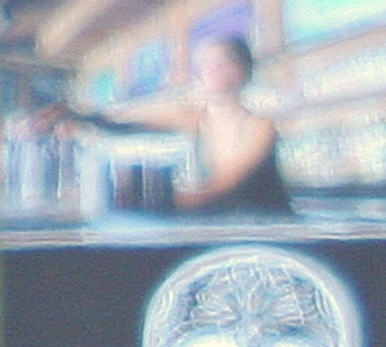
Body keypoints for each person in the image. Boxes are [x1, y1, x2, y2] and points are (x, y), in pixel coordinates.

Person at [53, 36, 290, 219]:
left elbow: (219, 189)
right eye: (204, 65)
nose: (208, 71)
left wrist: (141, 198)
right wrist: (73, 116)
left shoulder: (260, 127)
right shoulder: (198, 119)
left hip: (270, 235)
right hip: (225, 226)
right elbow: (124, 120)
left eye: (218, 64)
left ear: (241, 71)